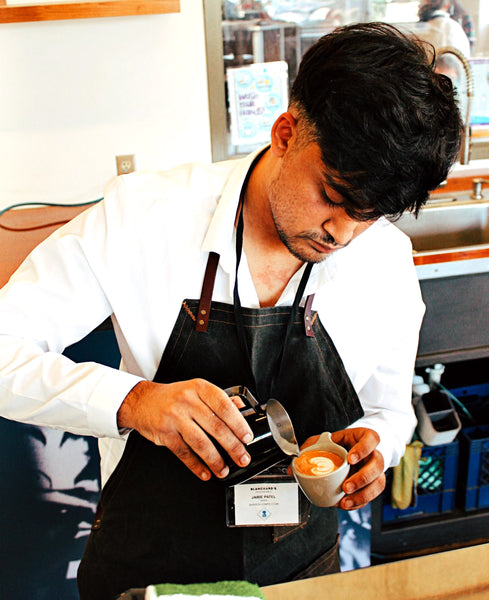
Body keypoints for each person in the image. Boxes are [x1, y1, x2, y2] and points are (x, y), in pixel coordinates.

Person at [0, 22, 462, 600]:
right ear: (286, 132)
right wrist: (135, 401)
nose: (341, 233)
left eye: (369, 215)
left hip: (300, 573)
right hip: (148, 569)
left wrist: (375, 446)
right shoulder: (144, 217)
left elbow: (389, 411)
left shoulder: (386, 263)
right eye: (334, 197)